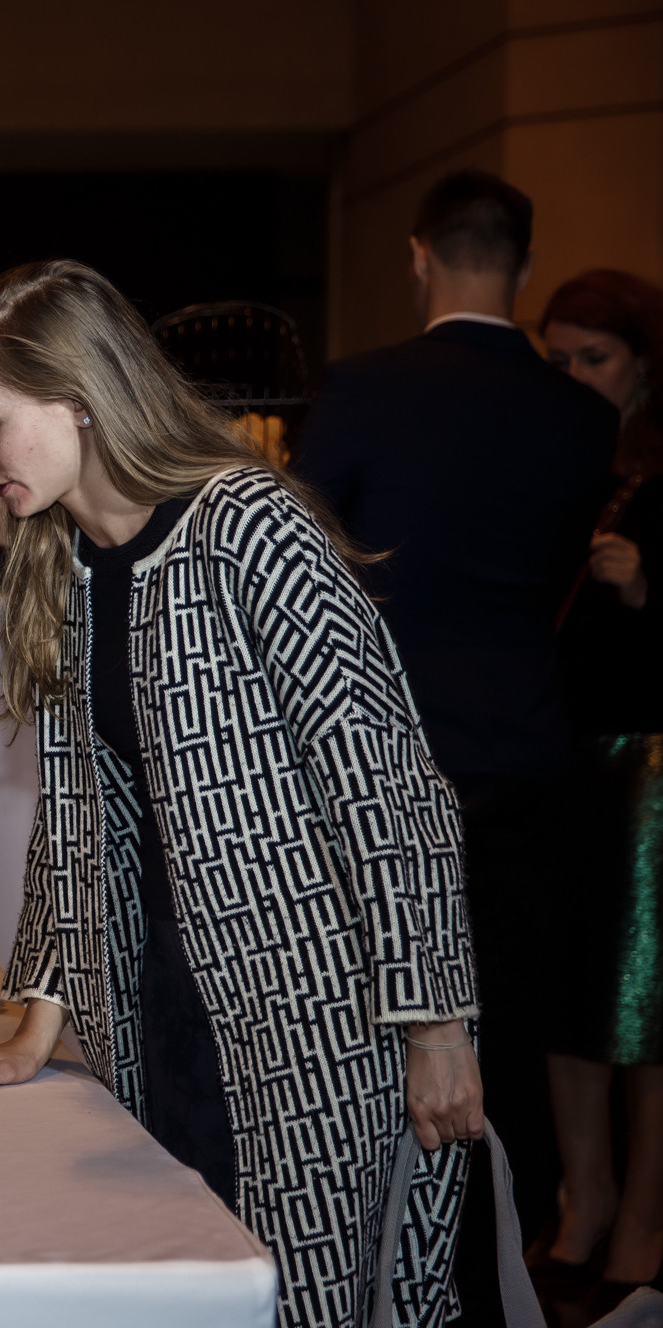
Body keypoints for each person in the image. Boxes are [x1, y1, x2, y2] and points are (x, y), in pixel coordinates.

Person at [0, 260, 483, 1328]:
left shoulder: (251, 526)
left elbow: (390, 789)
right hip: (159, 1005)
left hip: (315, 1012)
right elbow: (74, 815)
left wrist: (436, 1023)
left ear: (78, 394)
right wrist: (38, 1017)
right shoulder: (62, 557)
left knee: (307, 1300)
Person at [291, 171, 621, 1280]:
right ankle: (505, 1267)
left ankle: (384, 1257)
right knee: (511, 1026)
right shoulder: (581, 415)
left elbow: (309, 559)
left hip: (385, 753)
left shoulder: (364, 387)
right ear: (523, 268)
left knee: (376, 1023)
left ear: (419, 254)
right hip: (529, 750)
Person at [533, 269, 663, 1316]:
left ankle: (643, 1218)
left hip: (649, 761)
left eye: (595, 357)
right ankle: (584, 1195)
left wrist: (644, 588)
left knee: (640, 1008)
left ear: (644, 365)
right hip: (559, 753)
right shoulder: (556, 453)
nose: (574, 377)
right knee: (567, 998)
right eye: (560, 357)